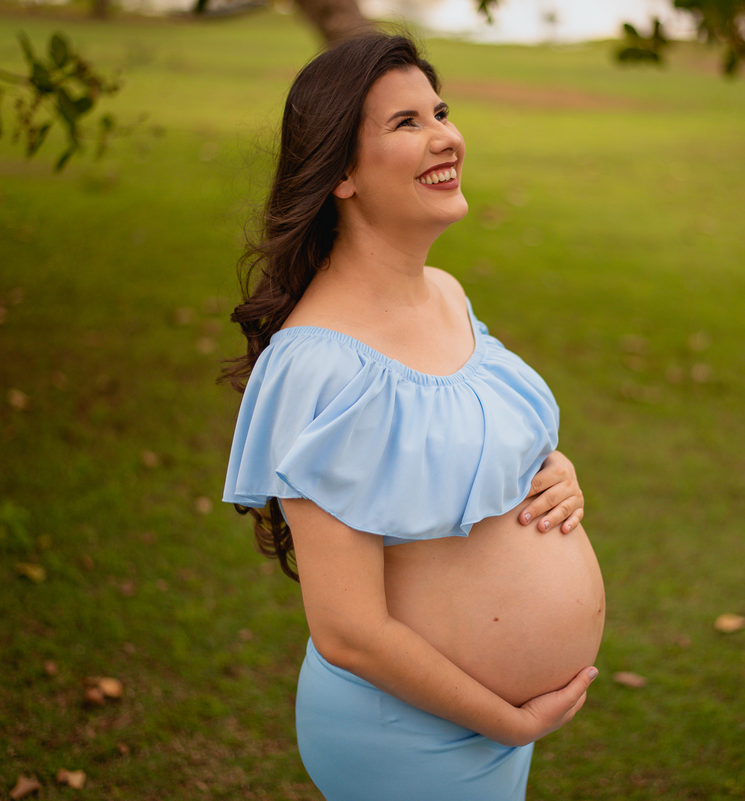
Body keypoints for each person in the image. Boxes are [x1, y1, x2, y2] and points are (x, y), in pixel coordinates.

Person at [222, 32, 605, 801]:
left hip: (489, 723)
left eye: (441, 111)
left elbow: (463, 449)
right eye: (406, 123)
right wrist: (507, 719)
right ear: (340, 173)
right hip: (409, 734)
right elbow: (349, 631)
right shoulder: (317, 363)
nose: (446, 137)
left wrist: (553, 474)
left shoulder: (448, 293)